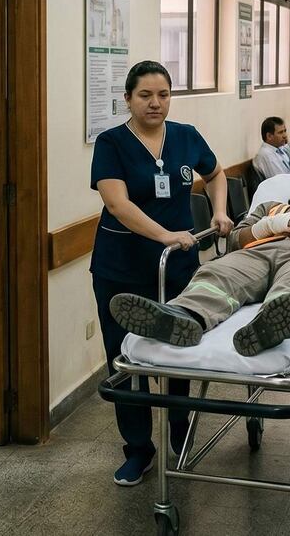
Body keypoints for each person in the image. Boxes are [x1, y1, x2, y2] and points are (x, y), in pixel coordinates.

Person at [90, 60, 233, 486]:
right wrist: (166, 234)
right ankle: (138, 448)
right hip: (122, 269)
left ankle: (179, 430)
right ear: (128, 99)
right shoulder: (112, 142)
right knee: (125, 358)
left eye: (163, 94)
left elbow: (216, 173)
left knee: (178, 350)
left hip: (178, 270)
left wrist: (221, 210)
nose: (155, 103)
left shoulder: (186, 137)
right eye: (145, 95)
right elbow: (117, 203)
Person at [110, 146, 290, 357]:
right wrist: (273, 226)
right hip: (255, 254)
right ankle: (184, 316)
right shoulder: (271, 208)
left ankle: (271, 323)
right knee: (218, 270)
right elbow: (235, 240)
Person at [253, 116, 290, 181]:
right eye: (280, 132)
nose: (285, 135)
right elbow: (280, 180)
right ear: (269, 136)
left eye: (285, 131)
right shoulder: (266, 154)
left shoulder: (281, 148)